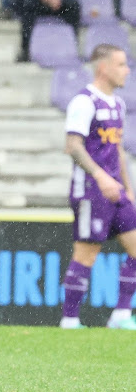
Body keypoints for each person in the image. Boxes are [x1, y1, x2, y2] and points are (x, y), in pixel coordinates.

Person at [60, 44, 136, 330]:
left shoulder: (118, 103)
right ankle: (69, 320)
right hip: (90, 192)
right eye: (121, 64)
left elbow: (117, 150)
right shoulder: (84, 101)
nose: (127, 70)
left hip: (115, 192)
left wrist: (128, 188)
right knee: (86, 254)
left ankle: (120, 315)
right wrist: (101, 177)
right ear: (103, 68)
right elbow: (73, 146)